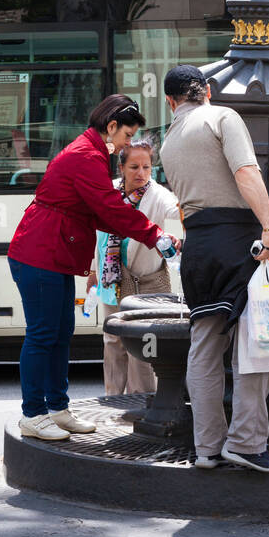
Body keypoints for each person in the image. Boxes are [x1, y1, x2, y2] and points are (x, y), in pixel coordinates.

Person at [7, 96, 163, 442]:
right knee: (43, 335)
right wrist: (155, 234)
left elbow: (98, 210)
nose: (127, 143)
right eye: (127, 135)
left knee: (60, 334)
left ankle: (57, 408)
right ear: (111, 127)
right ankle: (33, 414)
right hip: (39, 254)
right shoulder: (87, 156)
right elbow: (109, 210)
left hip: (50, 253)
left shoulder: (90, 152)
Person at [158, 65, 269, 473]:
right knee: (256, 340)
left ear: (170, 100)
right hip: (237, 241)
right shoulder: (222, 117)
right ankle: (247, 444)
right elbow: (245, 172)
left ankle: (206, 448)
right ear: (207, 91)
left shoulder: (167, 143)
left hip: (198, 246)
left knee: (205, 344)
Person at [87, 137, 180, 397]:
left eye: (147, 167)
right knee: (113, 341)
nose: (141, 173)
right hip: (112, 281)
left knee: (142, 345)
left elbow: (178, 210)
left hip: (146, 284)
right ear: (121, 168)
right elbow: (99, 238)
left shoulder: (157, 194)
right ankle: (113, 400)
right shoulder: (109, 191)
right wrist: (93, 273)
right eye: (134, 167)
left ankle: (142, 404)